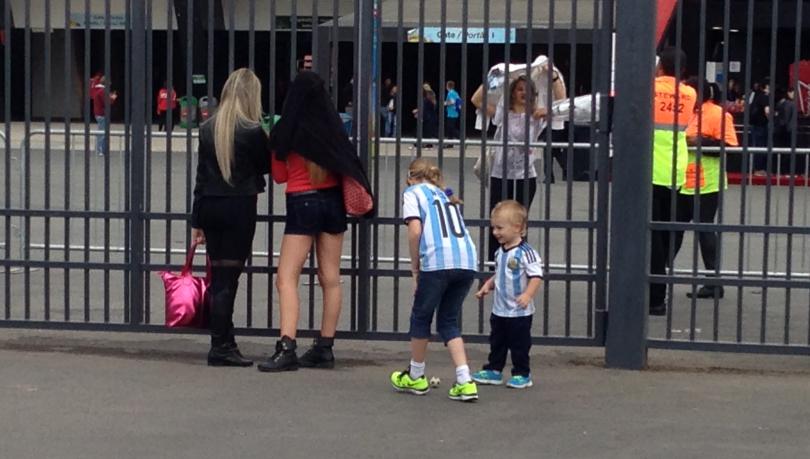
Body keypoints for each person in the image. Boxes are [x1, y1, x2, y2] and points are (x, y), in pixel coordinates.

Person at [258, 71, 373, 373]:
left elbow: (281, 176)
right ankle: (325, 347)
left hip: (301, 201)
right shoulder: (333, 128)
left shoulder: (286, 129)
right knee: (330, 277)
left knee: (286, 277)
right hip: (333, 202)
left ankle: (287, 347)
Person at [191, 68, 270, 366]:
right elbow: (266, 167)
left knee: (219, 277)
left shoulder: (208, 128)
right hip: (238, 207)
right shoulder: (252, 130)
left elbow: (200, 178)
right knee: (228, 280)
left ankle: (224, 339)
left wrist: (195, 221)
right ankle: (220, 346)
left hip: (210, 206)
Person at [389, 158, 479, 402]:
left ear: (410, 177)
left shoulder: (413, 193)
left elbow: (415, 231)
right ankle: (465, 380)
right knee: (448, 320)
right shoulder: (445, 195)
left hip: (438, 260)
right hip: (467, 260)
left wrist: (415, 267)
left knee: (421, 316)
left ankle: (416, 375)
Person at [672, 81, 738, 300]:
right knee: (672, 229)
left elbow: (730, 147)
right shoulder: (682, 112)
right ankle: (657, 276)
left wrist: (698, 141)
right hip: (680, 179)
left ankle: (713, 282)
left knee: (704, 229)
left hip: (706, 182)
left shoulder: (718, 114)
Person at [471, 75, 546, 261]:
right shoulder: (502, 113)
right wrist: (493, 77)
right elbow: (476, 99)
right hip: (500, 174)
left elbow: (562, 105)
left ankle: (517, 262)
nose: (524, 93)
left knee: (519, 222)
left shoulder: (537, 115)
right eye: (520, 89)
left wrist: (553, 76)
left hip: (525, 175)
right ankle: (493, 263)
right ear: (512, 93)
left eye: (528, 90)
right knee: (497, 220)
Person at [472, 200, 543, 389]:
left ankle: (522, 373)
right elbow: (500, 273)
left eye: (500, 228)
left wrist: (528, 295)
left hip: (519, 312)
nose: (495, 232)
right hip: (500, 309)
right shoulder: (499, 252)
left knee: (519, 344)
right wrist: (488, 285)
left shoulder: (526, 252)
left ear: (517, 228)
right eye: (493, 228)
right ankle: (494, 370)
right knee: (497, 341)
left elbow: (536, 276)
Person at [649, 47, 697, 316]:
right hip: (676, 169)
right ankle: (658, 280)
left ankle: (655, 294)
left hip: (649, 168)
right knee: (667, 233)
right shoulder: (690, 93)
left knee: (650, 236)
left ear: (660, 67)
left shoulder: (649, 88)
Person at [92, 74, 118, 156]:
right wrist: (112, 98)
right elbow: (107, 102)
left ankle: (101, 149)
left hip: (98, 113)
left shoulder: (97, 90)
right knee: (102, 132)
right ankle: (100, 149)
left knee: (101, 131)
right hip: (102, 114)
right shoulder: (102, 91)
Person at [776, 87, 800, 174]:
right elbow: (785, 119)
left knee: (786, 152)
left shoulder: (785, 103)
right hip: (789, 131)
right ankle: (786, 171)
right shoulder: (790, 104)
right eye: (792, 92)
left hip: (787, 130)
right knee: (788, 152)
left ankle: (785, 171)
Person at [749, 80, 771, 175]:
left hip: (754, 124)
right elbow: (767, 111)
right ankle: (759, 169)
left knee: (756, 146)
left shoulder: (756, 96)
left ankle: (755, 168)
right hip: (761, 125)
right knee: (761, 146)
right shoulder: (765, 97)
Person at [412, 83, 439, 148]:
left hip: (427, 116)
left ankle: (423, 144)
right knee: (427, 131)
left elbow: (424, 108)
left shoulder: (427, 97)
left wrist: (418, 113)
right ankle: (426, 144)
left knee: (425, 130)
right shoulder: (431, 96)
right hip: (430, 116)